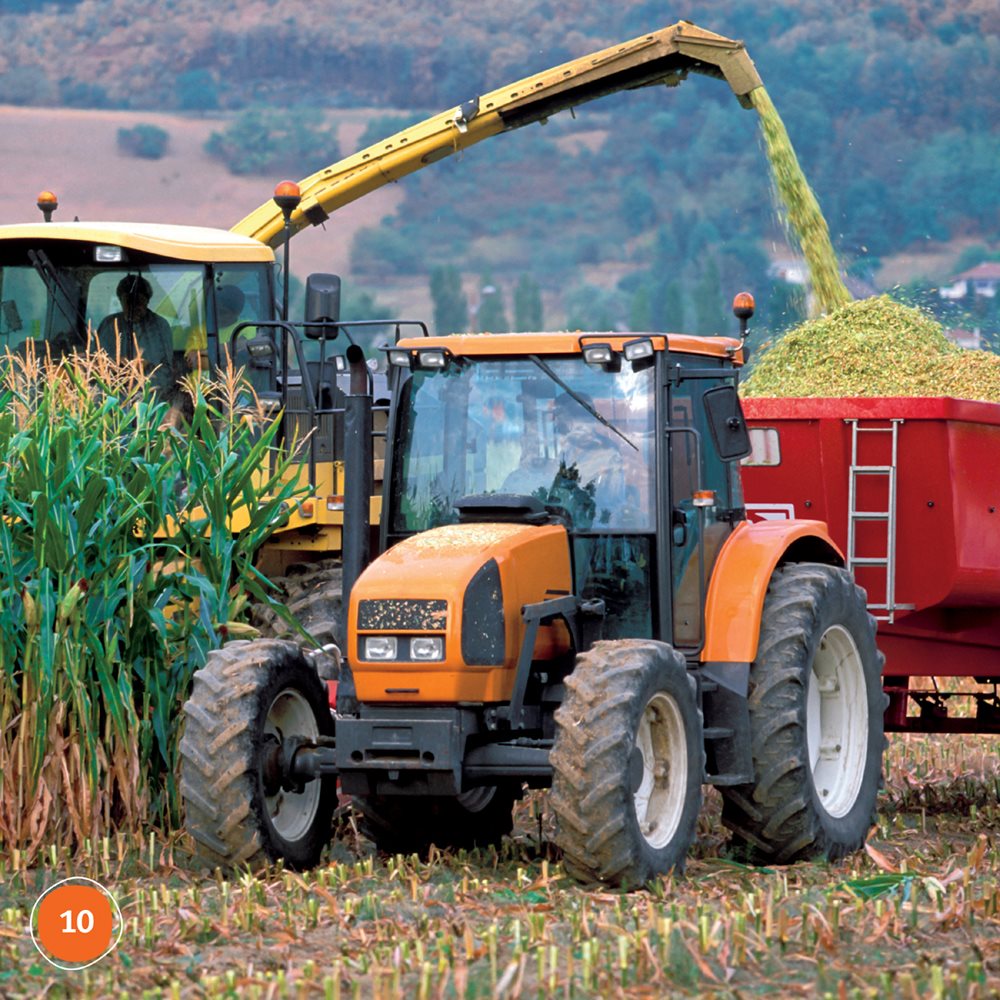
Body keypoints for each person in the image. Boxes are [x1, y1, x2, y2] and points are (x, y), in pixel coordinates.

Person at [97, 275, 176, 398]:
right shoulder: (109, 325)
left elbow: (168, 372)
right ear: (120, 301)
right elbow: (95, 363)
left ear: (147, 301)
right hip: (114, 398)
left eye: (138, 301)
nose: (134, 306)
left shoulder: (160, 326)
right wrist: (116, 364)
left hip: (150, 398)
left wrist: (147, 366)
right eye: (128, 301)